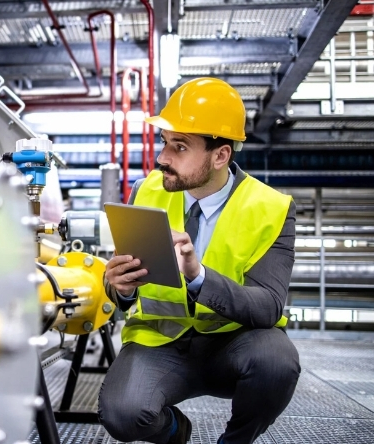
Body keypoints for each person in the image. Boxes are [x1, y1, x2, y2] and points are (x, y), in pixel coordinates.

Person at [97, 77, 301, 444]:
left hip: (233, 346)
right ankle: (177, 432)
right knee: (123, 415)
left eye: (179, 147)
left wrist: (198, 276)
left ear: (220, 155)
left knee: (276, 361)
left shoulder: (272, 209)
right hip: (159, 343)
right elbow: (121, 286)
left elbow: (268, 307)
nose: (163, 157)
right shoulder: (147, 191)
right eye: (164, 142)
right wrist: (118, 287)